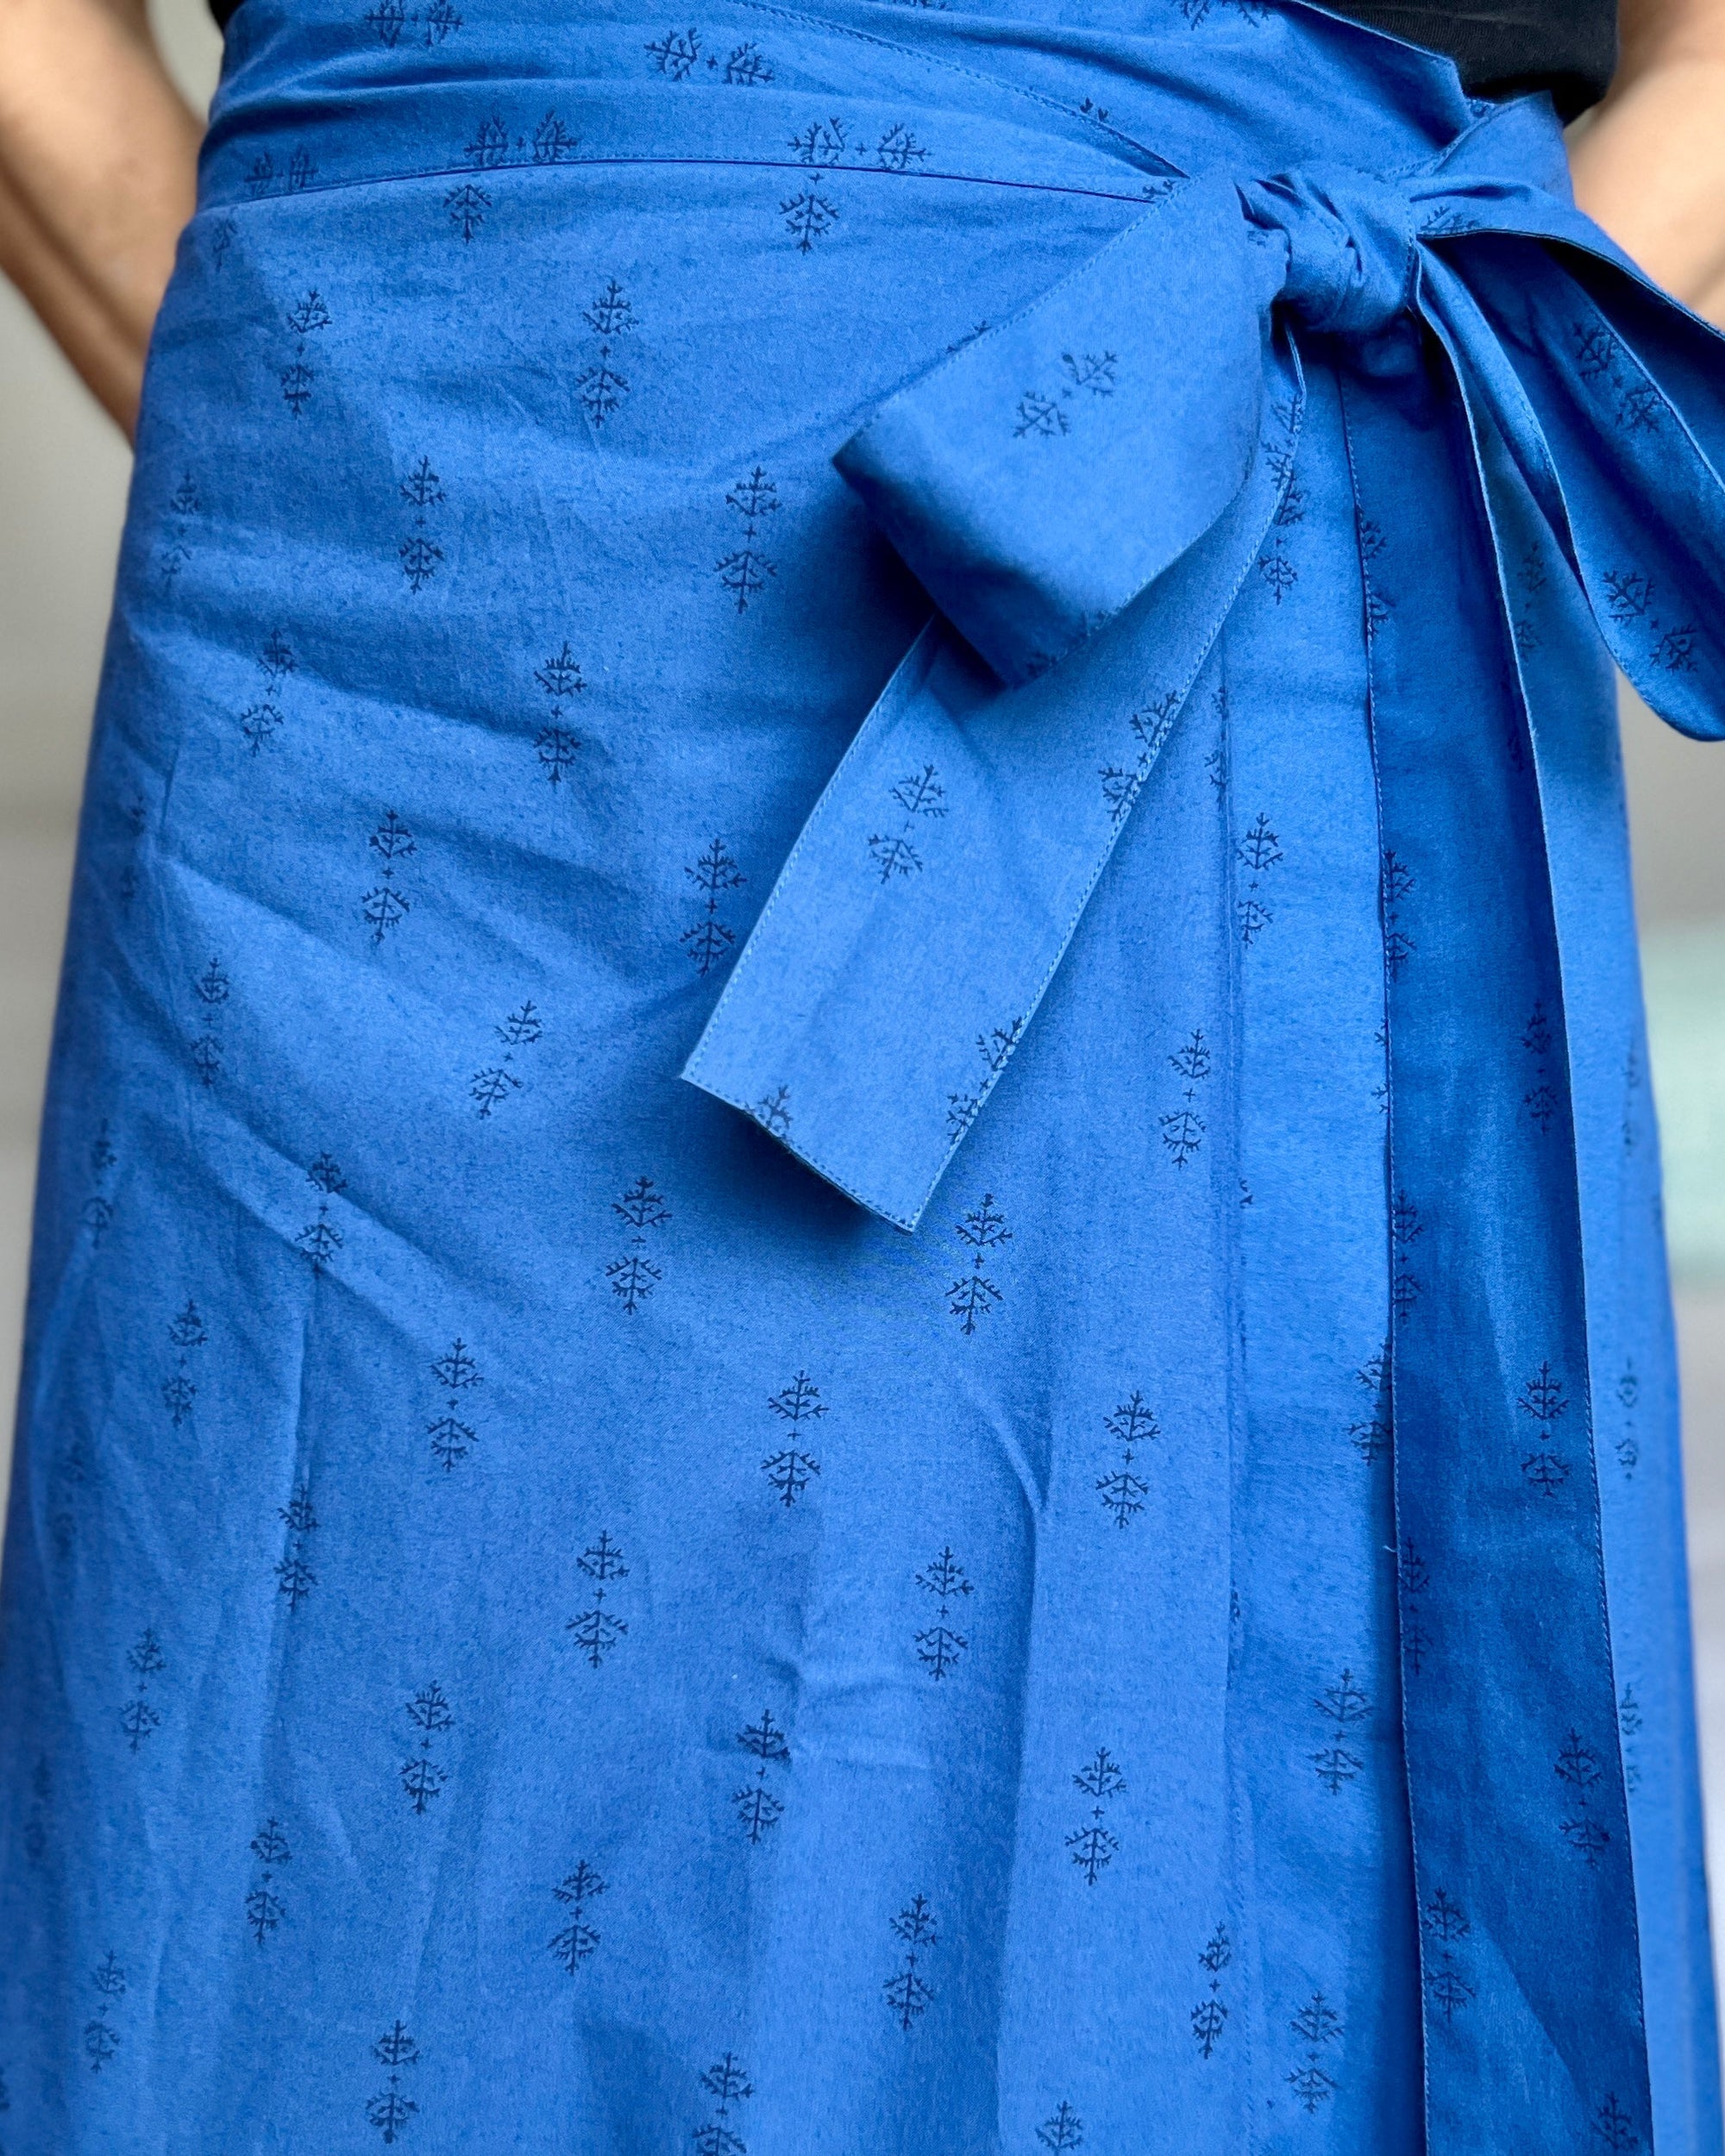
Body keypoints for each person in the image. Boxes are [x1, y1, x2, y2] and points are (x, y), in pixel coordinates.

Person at [2, 0, 1724, 2146]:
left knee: (1151, 1897)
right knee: (319, 1871)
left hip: (1199, 517)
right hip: (412, 594)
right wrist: (395, 423)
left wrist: (1379, 349)